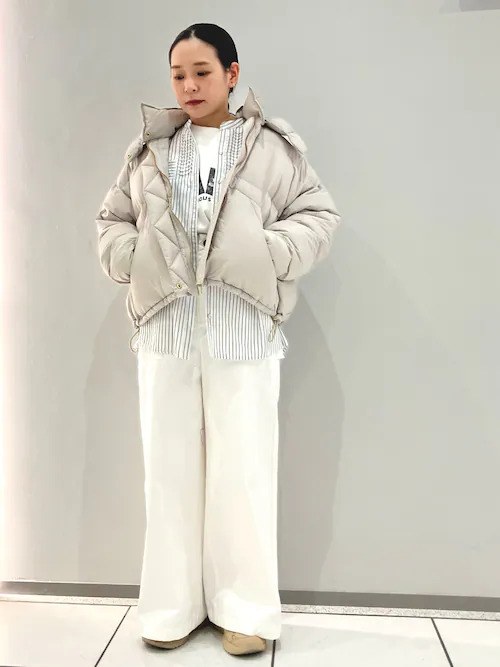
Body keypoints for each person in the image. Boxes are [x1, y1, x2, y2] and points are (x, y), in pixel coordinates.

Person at [94, 22, 341, 657]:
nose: (189, 85)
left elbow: (319, 215)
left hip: (243, 328)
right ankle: (171, 608)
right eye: (178, 75)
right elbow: (112, 221)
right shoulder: (150, 150)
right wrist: (135, 258)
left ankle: (246, 611)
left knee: (245, 469)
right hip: (167, 329)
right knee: (168, 470)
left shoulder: (270, 148)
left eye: (202, 72)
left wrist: (268, 251)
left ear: (231, 74)